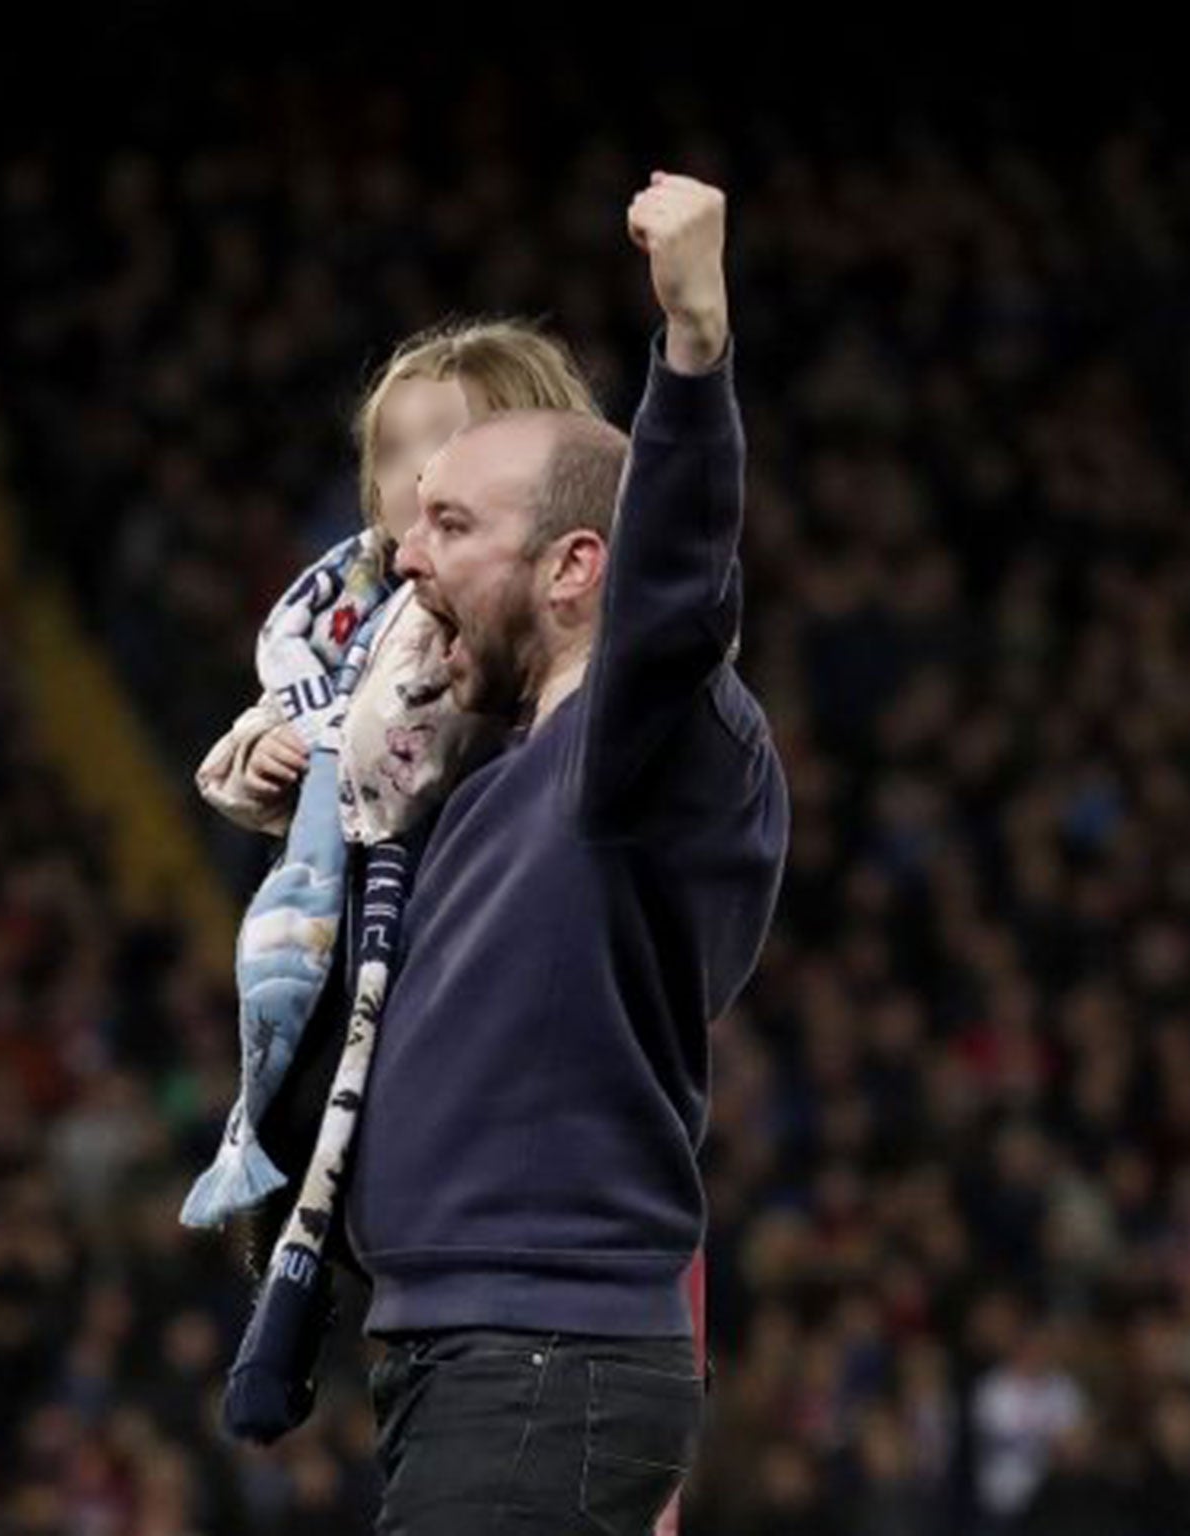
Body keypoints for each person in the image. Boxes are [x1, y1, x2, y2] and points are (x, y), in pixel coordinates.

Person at [345, 171, 788, 1534]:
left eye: (454, 525)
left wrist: (695, 344)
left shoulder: (630, 744)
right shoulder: (497, 776)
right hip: (470, 1356)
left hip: (547, 1358)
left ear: (576, 565)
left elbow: (678, 586)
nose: (404, 558)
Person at [184, 320, 601, 1285]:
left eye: (442, 444)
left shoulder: (567, 649)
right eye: (392, 451)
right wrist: (257, 760)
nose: (414, 475)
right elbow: (291, 730)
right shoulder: (332, 617)